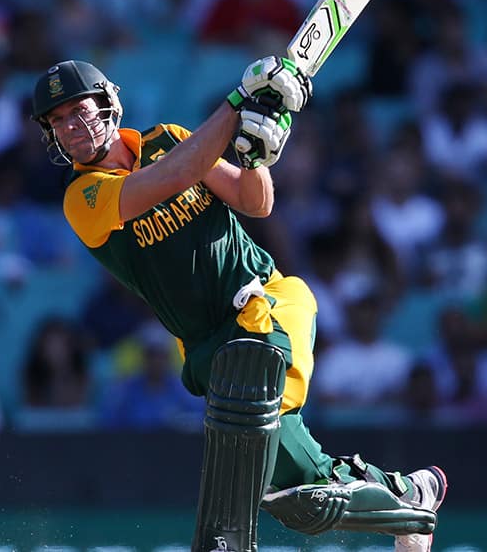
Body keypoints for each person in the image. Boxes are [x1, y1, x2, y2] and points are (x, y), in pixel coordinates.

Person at [30, 59, 447, 552]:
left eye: (78, 110)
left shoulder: (169, 137)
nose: (71, 128)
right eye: (57, 121)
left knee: (252, 384)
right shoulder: (83, 196)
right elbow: (178, 174)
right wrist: (237, 102)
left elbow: (256, 203)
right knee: (299, 500)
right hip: (208, 344)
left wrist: (255, 157)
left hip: (268, 302)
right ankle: (410, 498)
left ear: (107, 103)